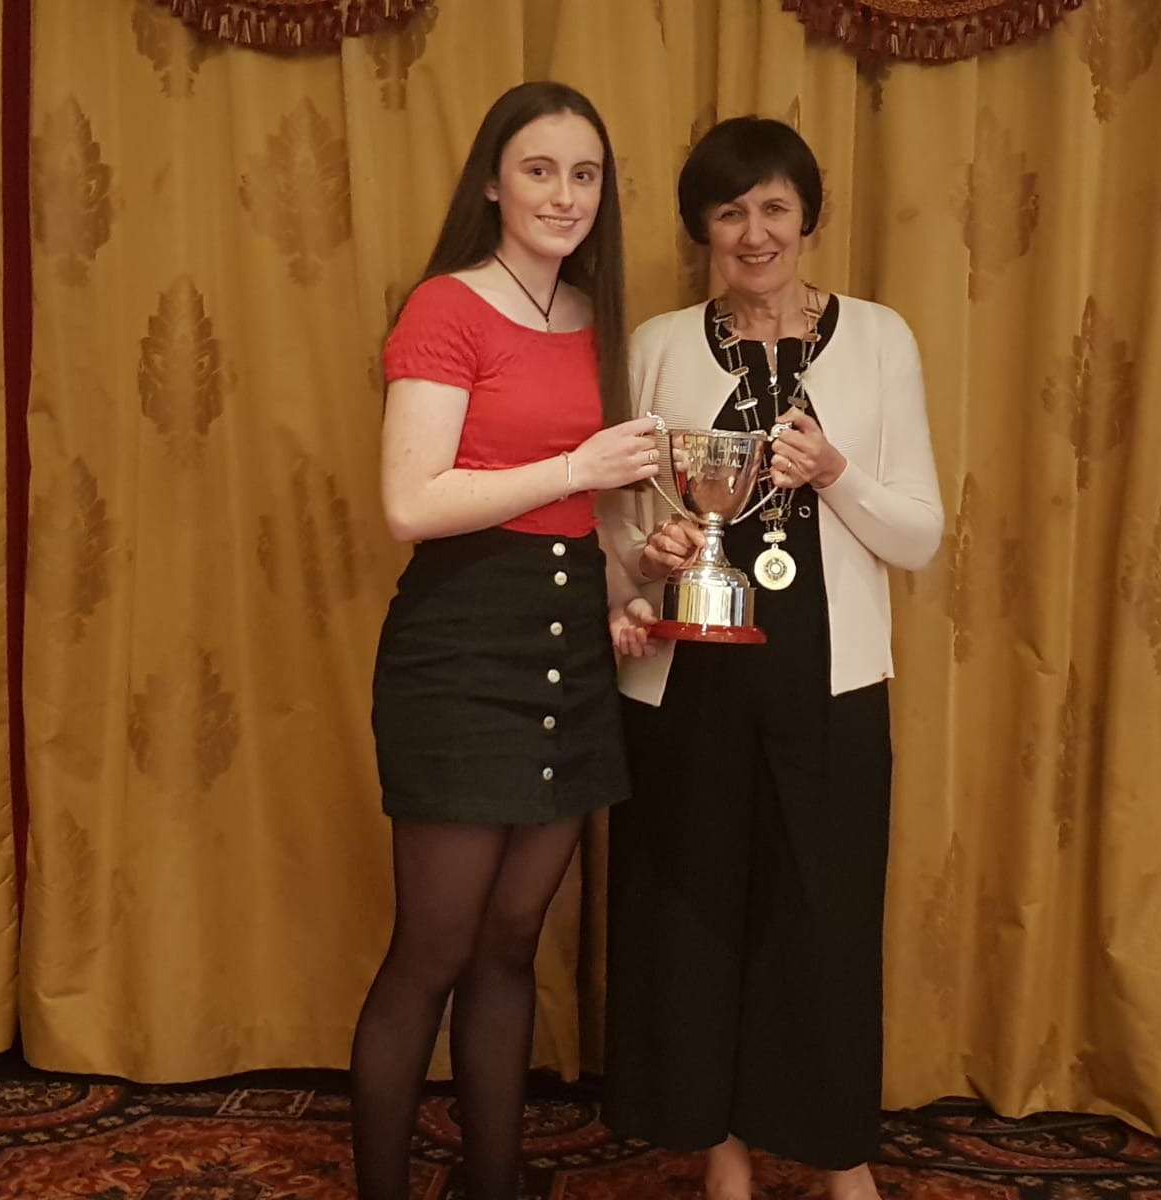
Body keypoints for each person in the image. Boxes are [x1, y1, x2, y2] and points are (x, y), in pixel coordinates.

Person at [601, 116, 944, 1200]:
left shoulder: (880, 339)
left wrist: (836, 472)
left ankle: (841, 1157)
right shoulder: (657, 345)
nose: (754, 233)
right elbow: (619, 526)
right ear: (701, 228)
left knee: (825, 915)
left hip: (829, 680)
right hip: (686, 676)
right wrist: (649, 555)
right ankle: (722, 1154)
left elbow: (918, 536)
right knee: (691, 913)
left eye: (775, 208)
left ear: (808, 218)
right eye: (729, 211)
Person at [353, 81, 661, 1200]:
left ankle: (493, 1183)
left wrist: (633, 580)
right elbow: (412, 504)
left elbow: (580, 519)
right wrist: (578, 466)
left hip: (566, 647)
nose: (564, 195)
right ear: (492, 181)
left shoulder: (592, 316)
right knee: (432, 951)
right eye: (539, 170)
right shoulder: (446, 306)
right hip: (458, 651)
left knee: (511, 944)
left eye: (585, 174)